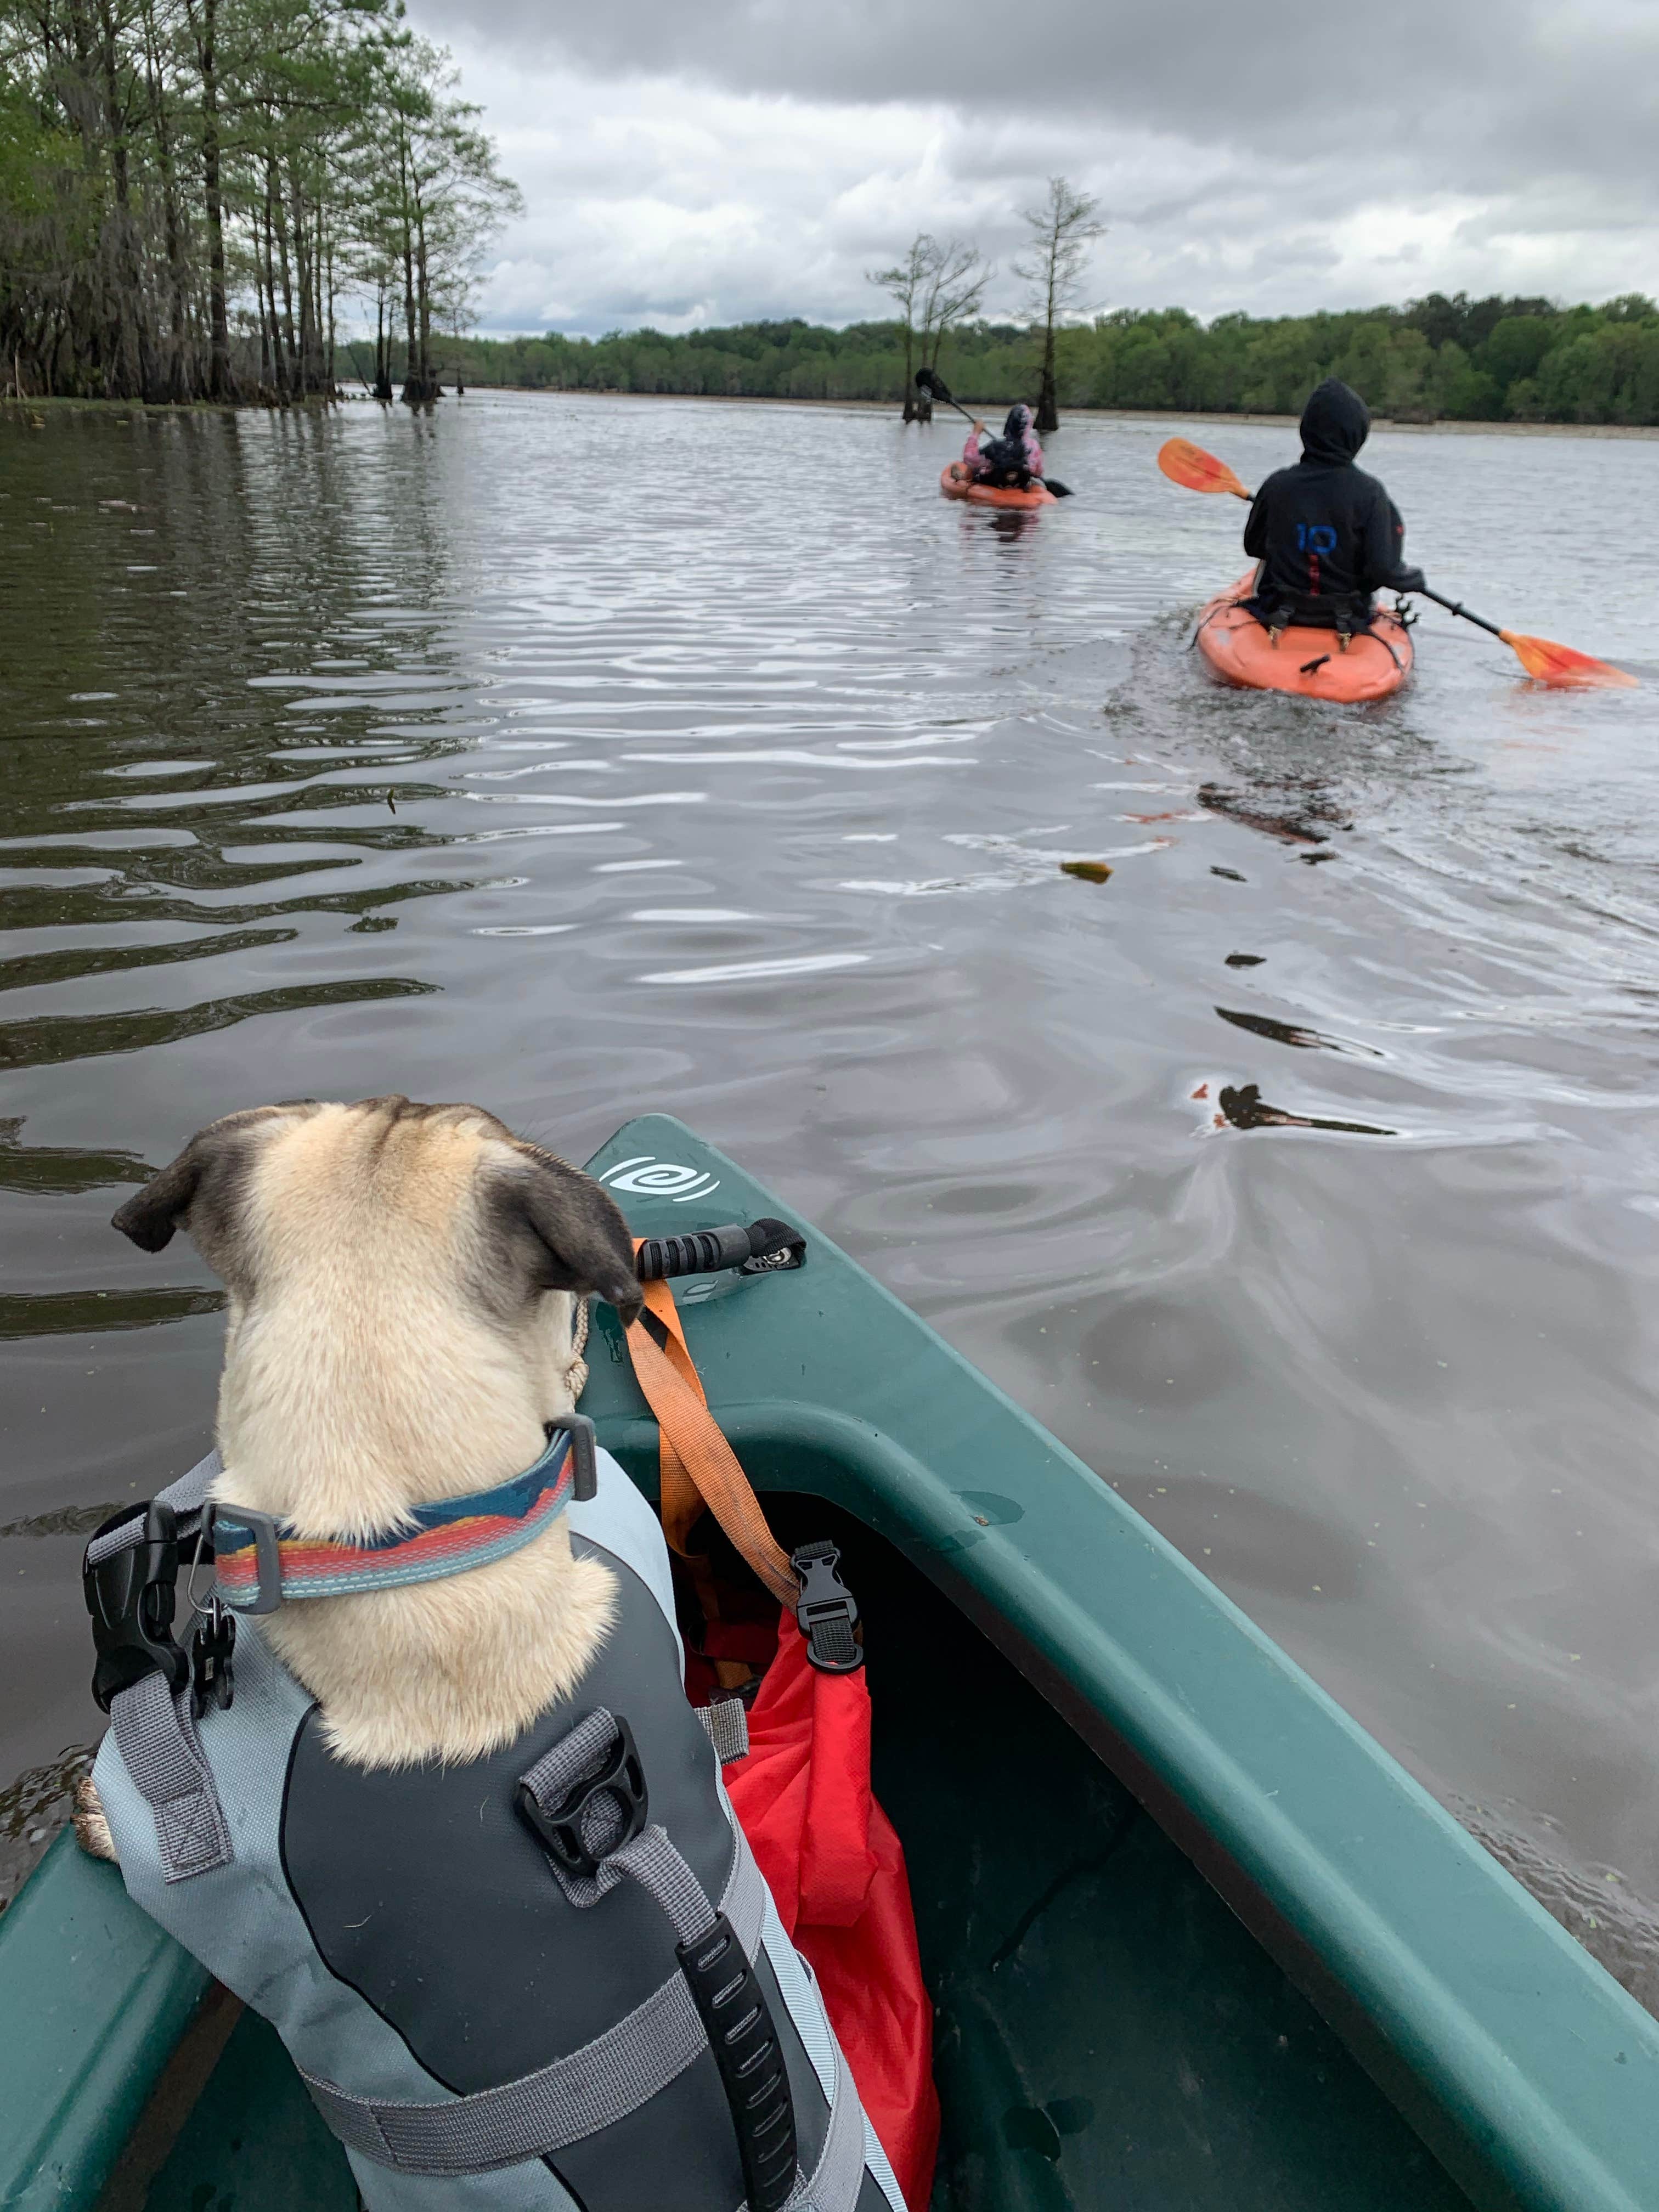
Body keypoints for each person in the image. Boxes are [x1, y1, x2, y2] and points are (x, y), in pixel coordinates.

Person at [1243, 378, 1425, 631]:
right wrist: (1414, 579)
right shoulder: (1371, 494)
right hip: (1346, 618)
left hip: (1278, 610)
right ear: (1358, 435)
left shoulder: (1277, 485)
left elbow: (1253, 546)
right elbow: (1384, 570)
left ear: (1306, 430)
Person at [951, 402, 1046, 490]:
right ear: (1029, 424)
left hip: (995, 484)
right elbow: (1038, 473)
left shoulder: (996, 447)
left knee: (975, 467)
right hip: (1020, 485)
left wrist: (976, 433)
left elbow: (969, 459)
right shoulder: (1034, 447)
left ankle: (963, 478)